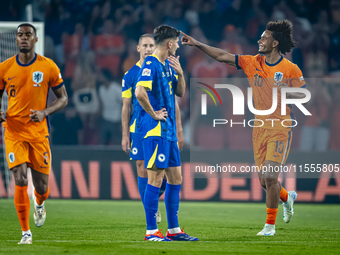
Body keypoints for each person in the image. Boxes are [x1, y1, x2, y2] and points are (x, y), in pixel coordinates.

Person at [181, 20, 309, 236]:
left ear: (275, 43)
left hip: (280, 126)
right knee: (265, 182)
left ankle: (269, 227)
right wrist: (197, 44)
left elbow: (303, 96)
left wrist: (284, 91)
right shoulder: (252, 62)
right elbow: (222, 56)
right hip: (259, 127)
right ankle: (287, 197)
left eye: (264, 37)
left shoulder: (290, 68)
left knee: (269, 177)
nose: (260, 39)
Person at [0, 23, 68, 244]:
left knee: (41, 187)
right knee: (19, 178)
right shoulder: (4, 68)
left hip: (39, 133)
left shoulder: (48, 66)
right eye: (20, 35)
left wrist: (45, 112)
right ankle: (25, 233)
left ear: (36, 39)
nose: (23, 38)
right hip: (13, 131)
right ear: (16, 39)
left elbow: (63, 98)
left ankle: (40, 203)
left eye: (28, 34)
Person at [135, 25, 197, 241]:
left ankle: (173, 230)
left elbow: (180, 92)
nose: (179, 46)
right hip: (155, 131)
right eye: (177, 42)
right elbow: (139, 92)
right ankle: (151, 231)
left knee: (176, 177)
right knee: (155, 178)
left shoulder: (170, 65)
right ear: (170, 43)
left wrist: (180, 73)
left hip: (168, 131)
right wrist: (153, 114)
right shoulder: (150, 63)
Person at [121, 34, 184, 225]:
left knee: (164, 175)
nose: (148, 48)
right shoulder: (131, 74)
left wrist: (179, 129)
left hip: (164, 128)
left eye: (151, 45)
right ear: (138, 48)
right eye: (145, 45)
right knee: (144, 168)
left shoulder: (164, 66)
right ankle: (152, 216)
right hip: (141, 127)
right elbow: (127, 106)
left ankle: (162, 219)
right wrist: (125, 134)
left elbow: (174, 100)